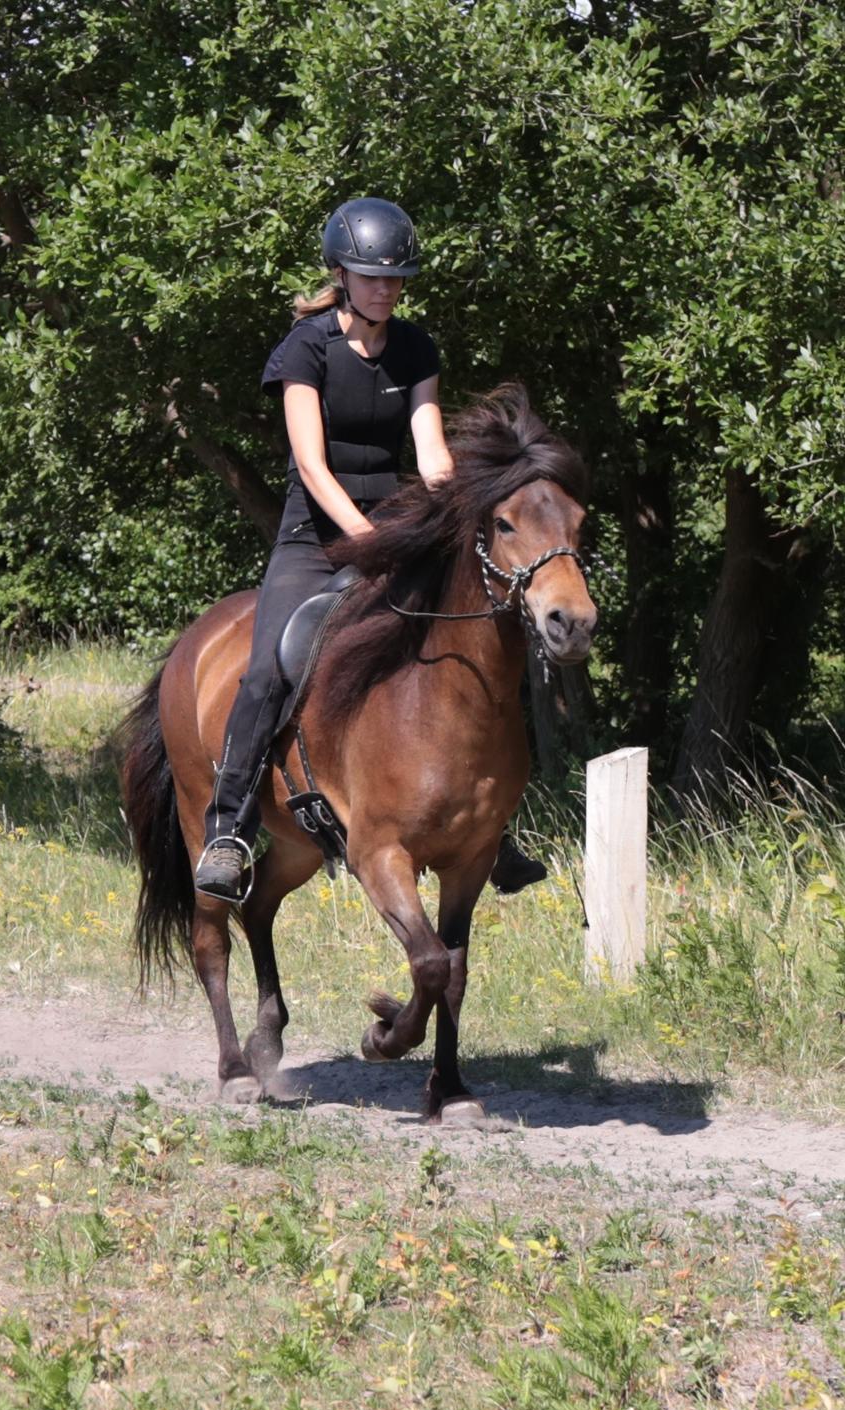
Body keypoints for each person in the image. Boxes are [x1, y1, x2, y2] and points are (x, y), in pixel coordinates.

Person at [195, 197, 546, 902]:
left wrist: (457, 514)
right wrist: (362, 536)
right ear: (341, 274)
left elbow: (431, 452)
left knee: (485, 636)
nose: (385, 289)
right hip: (315, 537)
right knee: (265, 670)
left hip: (395, 528)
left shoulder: (415, 348)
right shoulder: (306, 347)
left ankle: (494, 824)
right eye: (370, 277)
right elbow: (312, 464)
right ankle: (229, 830)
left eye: (395, 279)